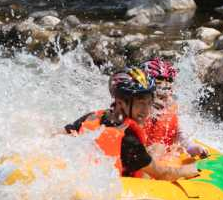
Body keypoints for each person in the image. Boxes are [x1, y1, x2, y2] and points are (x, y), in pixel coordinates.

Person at [63, 67, 198, 181]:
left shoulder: (93, 117)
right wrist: (187, 170)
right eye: (140, 103)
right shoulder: (128, 138)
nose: (146, 110)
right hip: (119, 194)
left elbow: (61, 136)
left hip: (87, 180)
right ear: (121, 102)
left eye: (149, 102)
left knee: (157, 148)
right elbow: (161, 174)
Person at [142, 58, 207, 157]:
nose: (163, 100)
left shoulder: (169, 106)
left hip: (162, 155)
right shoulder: (137, 111)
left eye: (167, 92)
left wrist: (190, 146)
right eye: (159, 95)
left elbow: (178, 132)